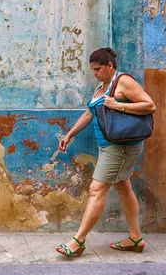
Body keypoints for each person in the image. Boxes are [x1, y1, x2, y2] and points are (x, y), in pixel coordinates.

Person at [56, 47, 156, 258]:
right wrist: (69, 134)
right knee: (123, 188)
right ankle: (136, 238)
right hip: (108, 146)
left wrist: (119, 106)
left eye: (98, 69)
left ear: (110, 65)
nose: (95, 73)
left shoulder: (123, 82)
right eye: (93, 70)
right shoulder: (102, 86)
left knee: (96, 189)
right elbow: (89, 113)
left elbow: (150, 105)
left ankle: (78, 241)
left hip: (119, 148)